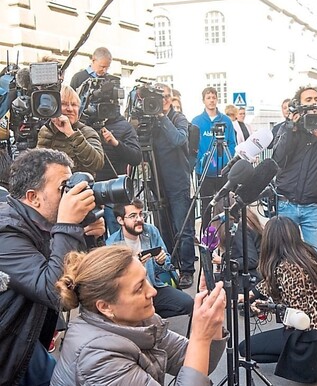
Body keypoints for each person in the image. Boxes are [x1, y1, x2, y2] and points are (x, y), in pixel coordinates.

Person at [50, 245, 228, 385]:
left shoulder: (141, 321)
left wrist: (211, 321)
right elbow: (198, 355)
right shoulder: (97, 359)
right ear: (105, 307)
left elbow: (202, 360)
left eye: (146, 280)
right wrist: (200, 338)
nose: (152, 292)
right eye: (139, 287)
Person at [0, 148, 102, 386]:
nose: (72, 195)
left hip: (24, 338)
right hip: (7, 349)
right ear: (33, 197)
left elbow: (84, 283)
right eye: (64, 188)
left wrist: (89, 238)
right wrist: (67, 225)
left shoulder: (43, 224)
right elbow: (56, 291)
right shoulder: (6, 231)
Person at [244, 216, 317, 383]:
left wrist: (263, 306)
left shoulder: (286, 269)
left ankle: (294, 362)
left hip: (310, 341)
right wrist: (254, 293)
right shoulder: (306, 254)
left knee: (245, 348)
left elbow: (295, 316)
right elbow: (273, 283)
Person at [272, 86, 317, 257]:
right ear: (298, 104)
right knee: (283, 257)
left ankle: (315, 285)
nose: (313, 103)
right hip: (286, 204)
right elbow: (278, 159)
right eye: (308, 100)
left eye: (316, 100)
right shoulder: (288, 128)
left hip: (313, 206)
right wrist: (292, 127)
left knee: (316, 258)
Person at [107, 199, 194, 318]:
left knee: (188, 303)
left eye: (141, 214)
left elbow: (166, 264)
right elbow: (115, 284)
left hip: (154, 286)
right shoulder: (113, 244)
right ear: (120, 220)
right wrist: (134, 266)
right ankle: (147, 318)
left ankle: (152, 316)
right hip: (132, 295)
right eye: (133, 216)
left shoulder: (150, 231)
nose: (139, 219)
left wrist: (161, 262)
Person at [153, 84, 197, 289]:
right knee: (164, 229)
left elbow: (179, 139)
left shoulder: (177, 118)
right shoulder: (149, 119)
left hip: (178, 182)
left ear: (170, 99)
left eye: (165, 97)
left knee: (183, 228)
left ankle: (187, 269)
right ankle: (168, 267)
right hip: (157, 182)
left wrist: (162, 117)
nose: (162, 101)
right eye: (158, 97)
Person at [192, 87, 237, 237]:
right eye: (208, 97)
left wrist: (226, 162)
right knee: (206, 205)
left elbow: (231, 143)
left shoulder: (226, 121)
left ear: (217, 99)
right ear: (203, 100)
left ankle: (226, 235)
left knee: (225, 204)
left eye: (213, 97)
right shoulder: (197, 122)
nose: (211, 100)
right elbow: (193, 146)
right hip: (205, 172)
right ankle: (206, 235)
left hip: (223, 171)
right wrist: (201, 161)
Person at [38, 85, 105, 178]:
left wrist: (71, 134)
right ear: (53, 107)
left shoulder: (87, 132)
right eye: (64, 104)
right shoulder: (46, 129)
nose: (70, 109)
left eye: (74, 105)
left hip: (77, 187)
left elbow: (97, 163)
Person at [96, 107, 142, 236]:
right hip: (91, 190)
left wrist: (116, 144)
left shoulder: (125, 127)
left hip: (114, 192)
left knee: (119, 238)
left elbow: (136, 157)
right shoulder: (84, 125)